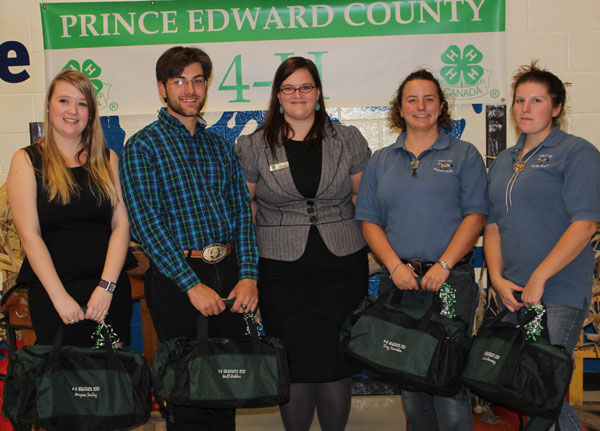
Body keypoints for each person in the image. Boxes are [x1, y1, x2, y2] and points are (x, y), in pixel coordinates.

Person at [119, 46, 258, 431]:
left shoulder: (218, 145)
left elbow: (241, 216)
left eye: (198, 80)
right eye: (180, 81)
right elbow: (146, 224)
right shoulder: (143, 146)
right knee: (187, 389)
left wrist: (248, 275)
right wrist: (191, 284)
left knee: (225, 383)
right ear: (163, 89)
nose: (191, 89)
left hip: (228, 274)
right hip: (176, 278)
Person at [235, 57, 370, 431]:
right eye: (289, 88)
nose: (298, 95)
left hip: (342, 268)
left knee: (335, 362)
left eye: (306, 87)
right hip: (281, 272)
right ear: (278, 96)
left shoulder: (348, 139)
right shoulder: (254, 146)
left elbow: (365, 198)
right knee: (293, 363)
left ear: (318, 92)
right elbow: (244, 206)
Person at [355, 69, 488, 431]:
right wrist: (395, 266)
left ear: (441, 106)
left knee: (447, 381)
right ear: (400, 107)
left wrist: (444, 265)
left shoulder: (464, 155)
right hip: (399, 282)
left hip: (450, 280)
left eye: (429, 98)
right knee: (409, 375)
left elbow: (476, 216)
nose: (421, 106)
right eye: (412, 99)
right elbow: (368, 221)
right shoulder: (381, 160)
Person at [484, 62, 600, 430]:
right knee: (529, 389)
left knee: (542, 391)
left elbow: (585, 225)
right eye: (520, 100)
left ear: (556, 108)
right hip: (514, 293)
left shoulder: (577, 152)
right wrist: (498, 280)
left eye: (536, 100)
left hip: (558, 291)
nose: (525, 108)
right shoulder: (504, 160)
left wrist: (539, 278)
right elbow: (492, 227)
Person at [7, 69, 132, 347]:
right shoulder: (26, 161)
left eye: (82, 103)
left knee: (112, 382)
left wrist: (106, 287)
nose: (72, 110)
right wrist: (59, 297)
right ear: (49, 106)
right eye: (64, 101)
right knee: (63, 384)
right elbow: (30, 235)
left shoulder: (107, 159)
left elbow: (121, 225)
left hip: (107, 292)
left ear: (91, 113)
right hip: (55, 296)